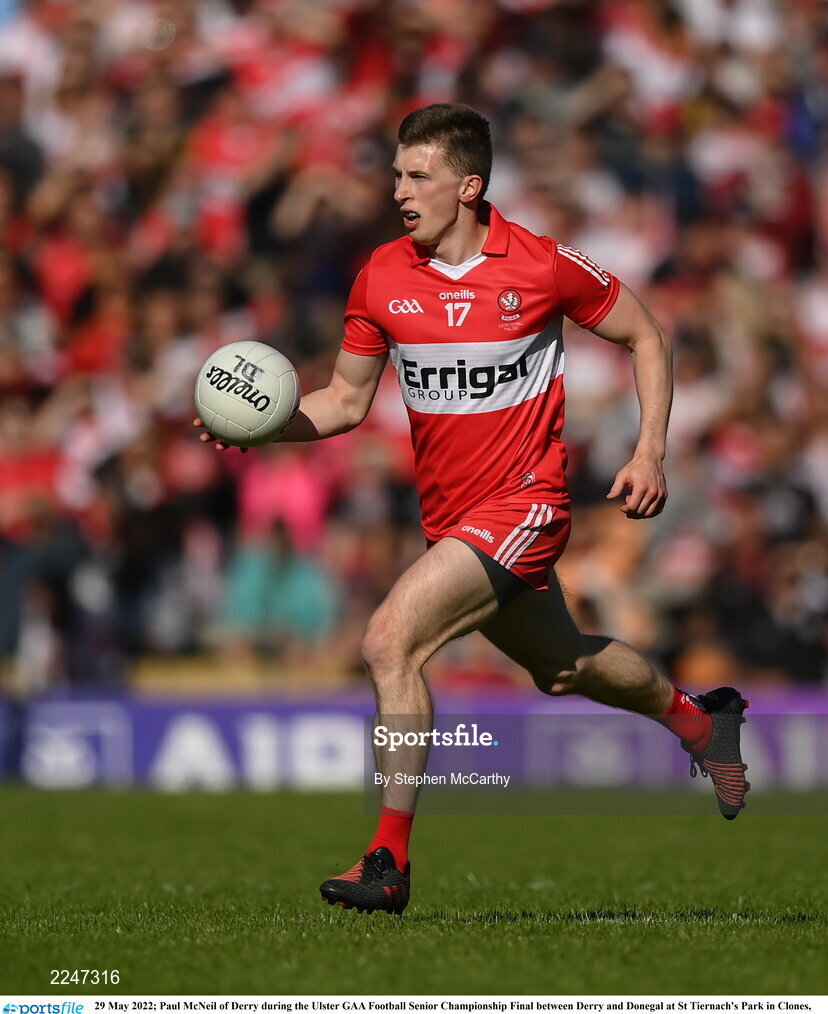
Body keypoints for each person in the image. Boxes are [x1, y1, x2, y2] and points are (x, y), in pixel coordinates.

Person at [196, 104, 749, 916]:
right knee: (563, 668)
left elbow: (646, 334)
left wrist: (649, 450)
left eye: (417, 176)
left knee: (389, 641)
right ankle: (701, 724)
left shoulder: (543, 265)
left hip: (527, 505)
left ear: (469, 184)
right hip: (453, 522)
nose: (399, 191)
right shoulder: (382, 275)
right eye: (395, 174)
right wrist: (265, 426)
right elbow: (346, 402)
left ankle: (388, 861)